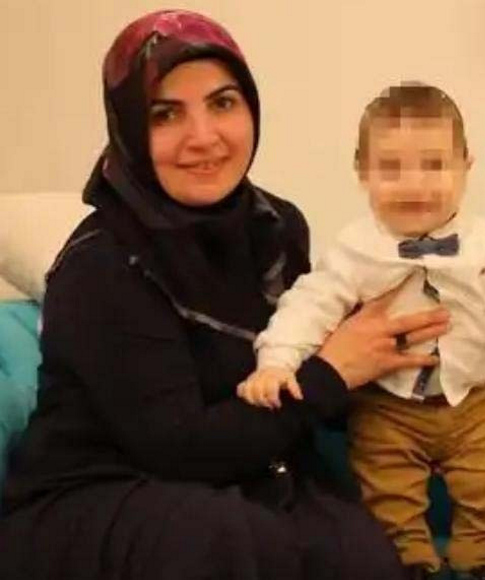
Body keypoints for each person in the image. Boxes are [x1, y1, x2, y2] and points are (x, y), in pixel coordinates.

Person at [0, 10, 452, 580]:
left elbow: (308, 392)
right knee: (226, 540)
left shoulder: (276, 228)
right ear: (130, 127)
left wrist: (395, 355)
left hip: (246, 476)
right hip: (98, 495)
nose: (204, 137)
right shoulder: (101, 265)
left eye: (223, 103)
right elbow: (177, 446)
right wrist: (333, 370)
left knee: (356, 550)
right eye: (166, 114)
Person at [236, 83, 485, 580]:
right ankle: (412, 564)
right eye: (392, 169)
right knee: (387, 492)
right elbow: (309, 306)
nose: (415, 185)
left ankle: (479, 562)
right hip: (388, 404)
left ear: (465, 167)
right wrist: (276, 361)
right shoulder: (355, 248)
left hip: (474, 399)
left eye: (434, 166)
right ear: (363, 173)